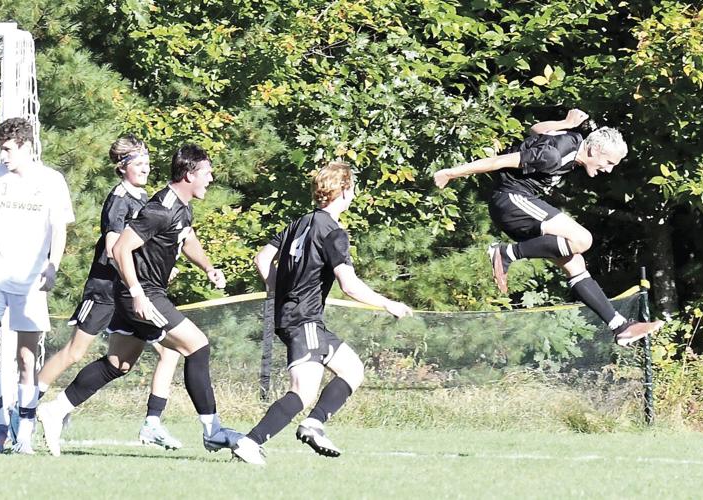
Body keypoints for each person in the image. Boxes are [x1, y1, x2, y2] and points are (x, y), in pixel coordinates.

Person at [38, 144, 240, 457]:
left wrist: (209, 267)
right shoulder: (160, 208)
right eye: (207, 173)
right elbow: (119, 249)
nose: (211, 179)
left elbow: (186, 238)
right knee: (197, 345)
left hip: (142, 292)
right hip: (142, 294)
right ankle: (212, 431)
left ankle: (54, 411)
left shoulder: (181, 206)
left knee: (118, 363)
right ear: (189, 175)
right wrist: (136, 293)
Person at [232, 161, 413, 466]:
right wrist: (387, 303)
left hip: (296, 317)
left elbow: (262, 259)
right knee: (302, 391)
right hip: (305, 320)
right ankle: (250, 442)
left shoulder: (299, 223)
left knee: (353, 369)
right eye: (352, 186)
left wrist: (281, 292)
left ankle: (314, 424)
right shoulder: (333, 232)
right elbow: (350, 285)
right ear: (344, 189)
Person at [433, 109, 663, 346]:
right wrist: (451, 173)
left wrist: (564, 122)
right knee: (583, 239)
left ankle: (620, 327)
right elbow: (499, 161)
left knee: (575, 263)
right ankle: (505, 253)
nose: (609, 169)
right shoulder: (552, 156)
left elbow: (535, 132)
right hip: (511, 201)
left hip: (520, 203)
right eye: (608, 162)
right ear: (594, 150)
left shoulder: (573, 141)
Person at [35, 135, 182, 450]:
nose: (145, 168)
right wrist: (138, 283)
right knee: (74, 352)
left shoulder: (144, 199)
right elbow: (116, 250)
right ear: (123, 167)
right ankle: (25, 409)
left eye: (147, 163)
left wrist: (160, 268)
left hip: (128, 291)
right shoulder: (118, 199)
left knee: (129, 362)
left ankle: (149, 423)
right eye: (138, 164)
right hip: (105, 288)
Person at [0, 117, 74, 454]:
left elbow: (59, 229)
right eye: (0, 149)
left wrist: (52, 265)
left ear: (27, 146)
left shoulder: (51, 181)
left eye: (8, 149)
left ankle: (24, 432)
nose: (3, 156)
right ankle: (0, 427)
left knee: (26, 358)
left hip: (29, 280)